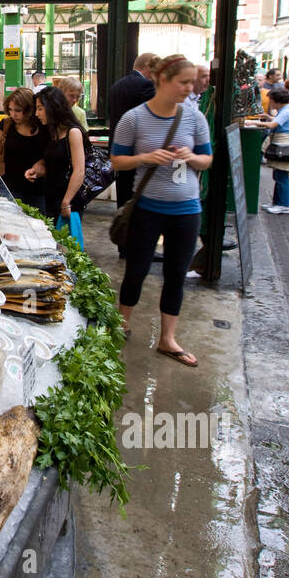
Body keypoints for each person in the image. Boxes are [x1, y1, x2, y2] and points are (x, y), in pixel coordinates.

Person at [108, 55, 213, 367]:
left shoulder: (195, 118)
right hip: (147, 209)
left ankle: (168, 338)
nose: (190, 88)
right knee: (136, 269)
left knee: (176, 275)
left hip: (186, 210)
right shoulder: (135, 119)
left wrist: (191, 156)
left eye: (192, 82)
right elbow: (117, 160)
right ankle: (122, 322)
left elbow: (207, 160)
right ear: (162, 80)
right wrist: (146, 158)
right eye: (184, 82)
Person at [25, 86, 88, 224]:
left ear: (53, 107)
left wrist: (66, 201)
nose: (37, 113)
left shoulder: (73, 132)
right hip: (51, 197)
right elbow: (55, 161)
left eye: (40, 108)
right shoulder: (52, 132)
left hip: (68, 201)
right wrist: (38, 166)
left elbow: (79, 171)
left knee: (67, 241)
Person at [108, 52, 158, 211]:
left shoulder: (117, 85)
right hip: (138, 154)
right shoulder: (146, 86)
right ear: (149, 68)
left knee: (123, 202)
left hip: (119, 151)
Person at [0, 87, 48, 211]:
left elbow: (50, 155)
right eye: (10, 109)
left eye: (18, 110)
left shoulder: (43, 126)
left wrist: (41, 164)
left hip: (38, 191)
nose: (13, 114)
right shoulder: (6, 125)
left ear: (30, 109)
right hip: (9, 188)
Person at [256, 87, 289, 213]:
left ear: (277, 101)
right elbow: (276, 121)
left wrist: (256, 123)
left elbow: (273, 125)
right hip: (282, 144)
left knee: (281, 177)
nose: (270, 103)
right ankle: (277, 202)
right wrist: (267, 116)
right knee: (279, 175)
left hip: (282, 145)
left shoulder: (285, 111)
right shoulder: (286, 109)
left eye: (271, 100)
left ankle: (284, 204)